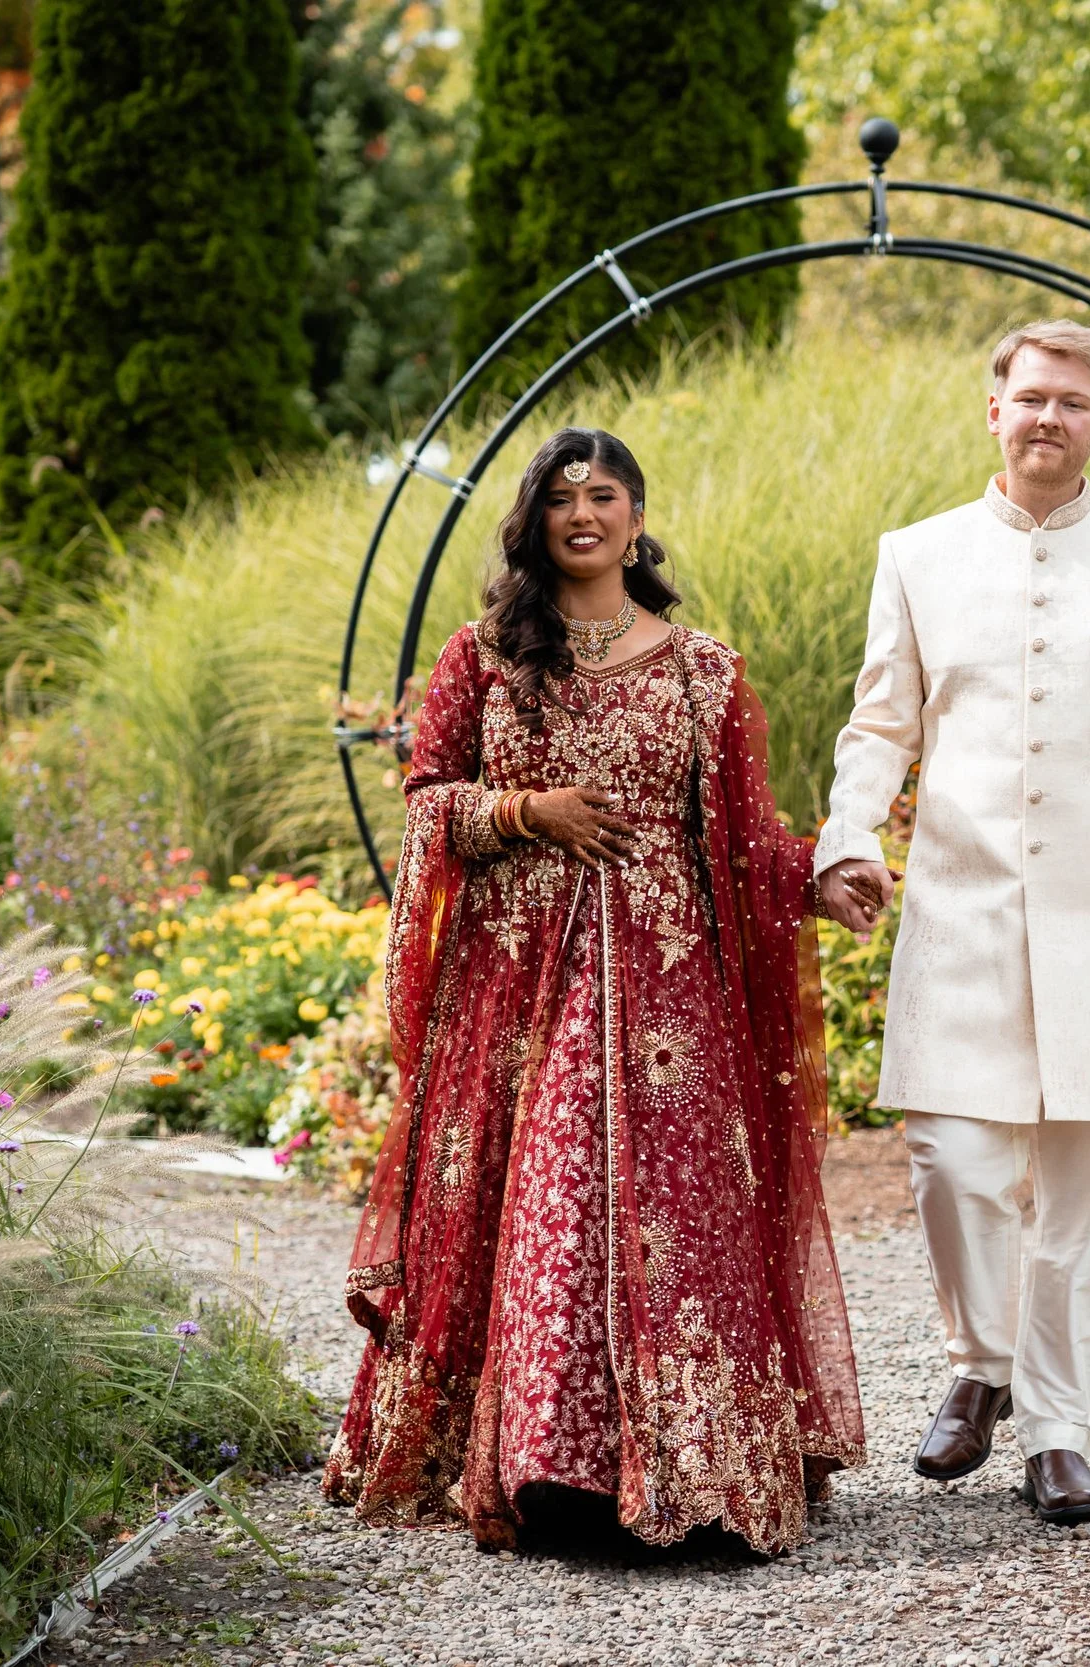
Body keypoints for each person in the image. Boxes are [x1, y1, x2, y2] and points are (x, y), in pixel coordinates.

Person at [325, 427, 864, 1555]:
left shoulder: (704, 668)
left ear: (635, 515)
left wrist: (822, 874)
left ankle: (701, 1474)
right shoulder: (482, 656)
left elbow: (738, 841)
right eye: (561, 496)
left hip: (672, 997)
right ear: (536, 520)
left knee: (683, 1217)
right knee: (555, 1196)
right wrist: (530, 811)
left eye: (603, 493)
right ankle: (556, 1476)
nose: (583, 512)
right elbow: (429, 801)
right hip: (525, 988)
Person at [815, 320, 1090, 1525]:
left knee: (1084, 1194)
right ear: (992, 411)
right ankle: (980, 1362)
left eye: (1072, 401)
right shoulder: (920, 554)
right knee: (955, 1161)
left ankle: (1059, 1428)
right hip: (961, 910)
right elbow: (879, 724)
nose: (1048, 417)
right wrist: (850, 833)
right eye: (1029, 397)